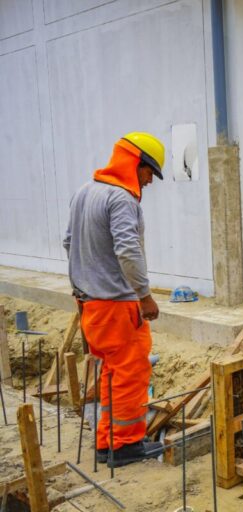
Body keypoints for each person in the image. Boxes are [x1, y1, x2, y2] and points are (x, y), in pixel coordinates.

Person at [63, 132, 165, 468]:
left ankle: (107, 442)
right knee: (131, 373)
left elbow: (68, 242)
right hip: (117, 305)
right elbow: (127, 250)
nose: (150, 180)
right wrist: (144, 295)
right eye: (149, 171)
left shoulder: (84, 192)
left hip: (89, 303)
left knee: (109, 373)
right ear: (135, 163)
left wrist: (89, 277)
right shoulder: (121, 199)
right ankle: (124, 446)